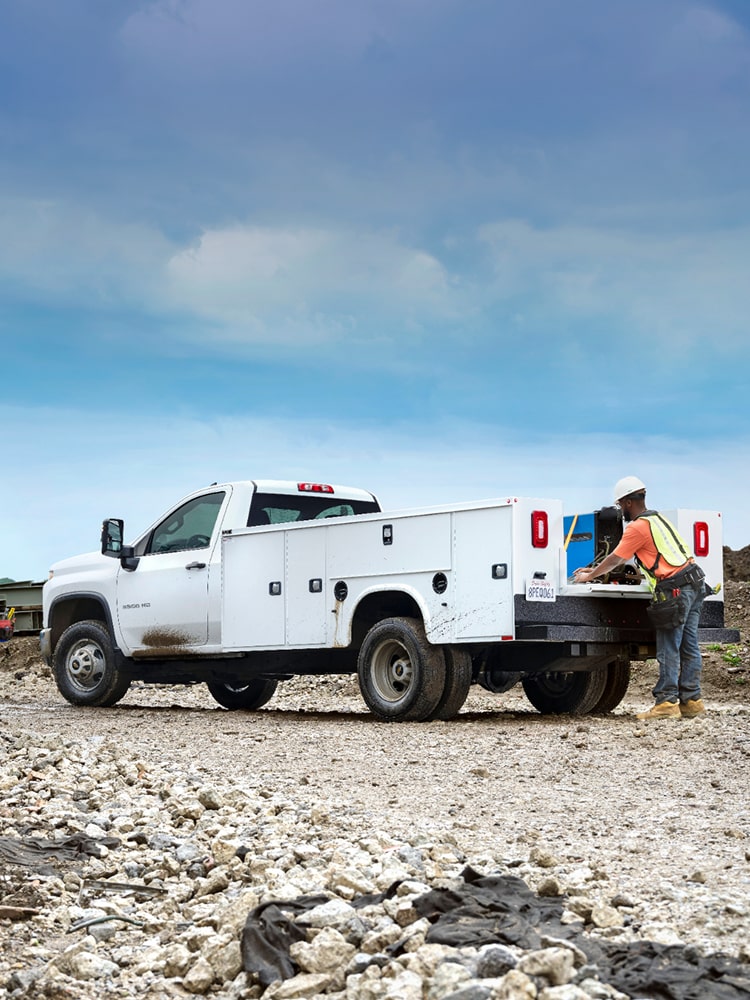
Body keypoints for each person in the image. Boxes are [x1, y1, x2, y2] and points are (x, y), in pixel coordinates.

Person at [572, 476, 706, 720]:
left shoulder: (636, 527)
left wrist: (590, 575)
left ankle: (666, 704)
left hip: (675, 590)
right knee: (689, 647)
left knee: (668, 648)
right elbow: (659, 556)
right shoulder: (658, 520)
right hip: (695, 583)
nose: (621, 510)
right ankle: (692, 702)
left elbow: (615, 558)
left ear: (628, 503)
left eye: (621, 505)